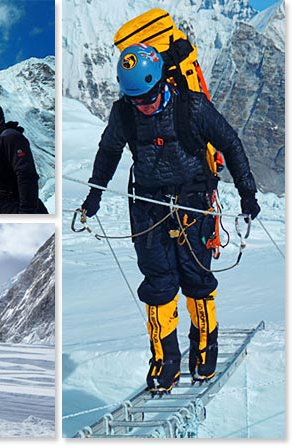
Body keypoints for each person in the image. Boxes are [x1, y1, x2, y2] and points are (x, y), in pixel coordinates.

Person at [80, 43, 260, 394]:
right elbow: (108, 152)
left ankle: (205, 351)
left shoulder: (192, 107)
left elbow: (230, 143)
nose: (143, 106)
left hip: (193, 205)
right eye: (136, 100)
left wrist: (247, 193)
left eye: (148, 98)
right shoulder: (125, 113)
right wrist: (94, 194)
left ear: (161, 82)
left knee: (196, 279)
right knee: (158, 284)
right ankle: (165, 363)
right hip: (148, 208)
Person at [0, 103, 48, 214]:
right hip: (11, 209)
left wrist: (27, 212)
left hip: (21, 209)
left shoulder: (10, 138)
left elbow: (26, 174)